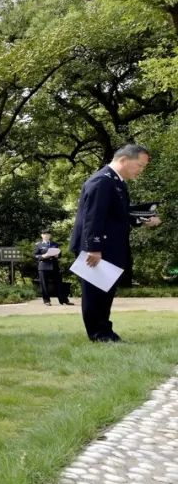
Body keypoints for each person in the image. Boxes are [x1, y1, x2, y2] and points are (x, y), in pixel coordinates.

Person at [70, 145, 161, 342]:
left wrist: (142, 219)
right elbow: (93, 217)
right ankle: (100, 335)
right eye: (139, 165)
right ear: (124, 160)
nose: (140, 171)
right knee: (96, 294)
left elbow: (118, 215)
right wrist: (93, 248)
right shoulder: (102, 181)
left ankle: (105, 332)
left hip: (107, 246)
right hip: (97, 248)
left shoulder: (116, 182)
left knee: (104, 292)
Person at [34, 230, 71, 306]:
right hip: (43, 266)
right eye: (44, 234)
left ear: (50, 236)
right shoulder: (38, 245)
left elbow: (60, 254)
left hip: (54, 266)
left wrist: (58, 255)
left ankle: (63, 300)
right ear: (42, 235)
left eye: (48, 234)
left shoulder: (55, 244)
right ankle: (46, 300)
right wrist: (43, 256)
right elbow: (35, 255)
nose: (46, 235)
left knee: (59, 284)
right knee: (44, 284)